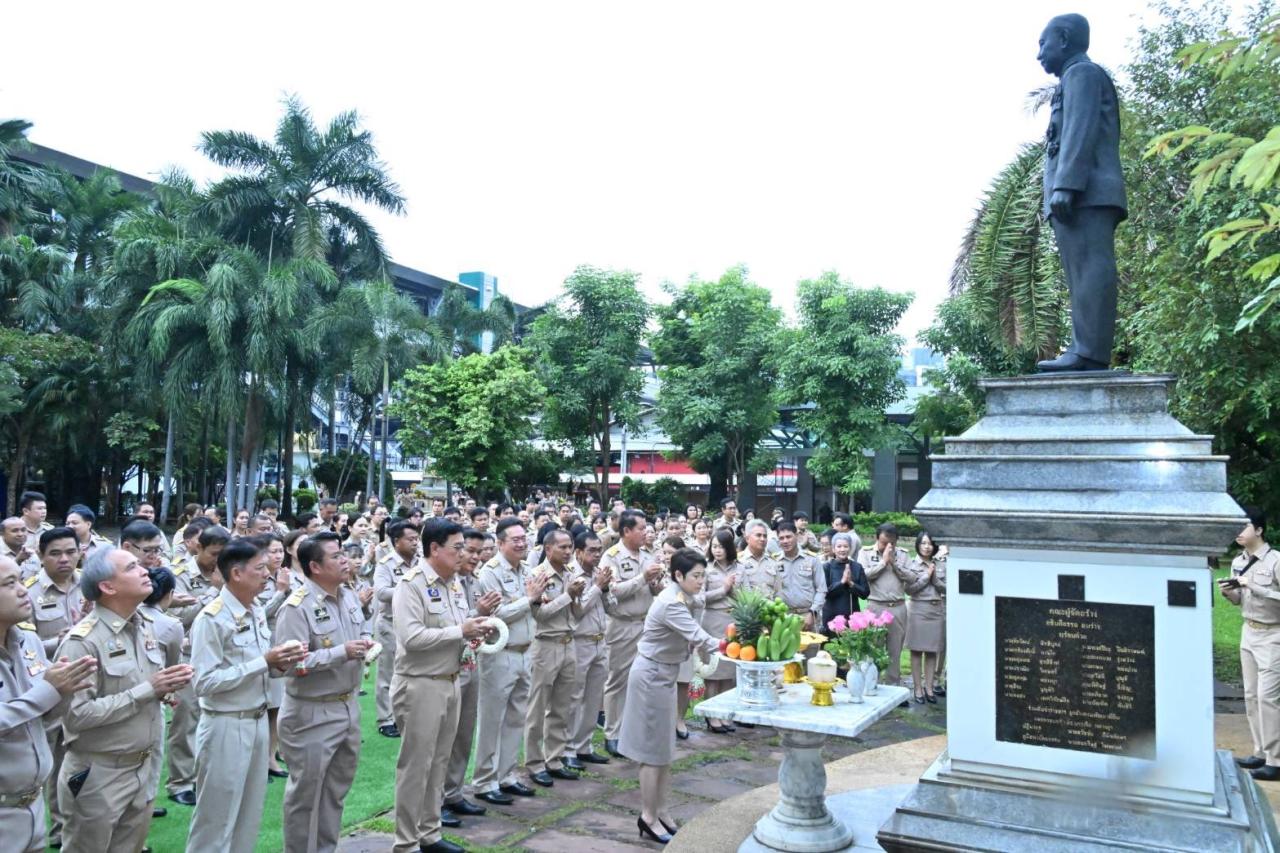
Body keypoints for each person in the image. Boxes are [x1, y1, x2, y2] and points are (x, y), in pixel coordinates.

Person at [56, 547, 193, 853]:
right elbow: (76, 716)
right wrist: (148, 690)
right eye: (131, 567)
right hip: (98, 773)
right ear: (107, 587)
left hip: (142, 767)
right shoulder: (83, 641)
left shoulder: (142, 626)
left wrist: (164, 691)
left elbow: (140, 685)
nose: (145, 570)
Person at [186, 537, 307, 853]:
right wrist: (263, 662)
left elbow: (261, 668)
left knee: (248, 815)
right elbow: (204, 683)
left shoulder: (254, 611)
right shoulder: (212, 618)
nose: (268, 574)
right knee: (216, 819)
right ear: (237, 573)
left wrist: (281, 662)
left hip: (257, 721)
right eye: (260, 568)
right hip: (225, 723)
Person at [390, 519, 492, 853]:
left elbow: (455, 631)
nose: (464, 554)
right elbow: (411, 638)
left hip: (450, 681)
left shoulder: (453, 584)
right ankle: (406, 842)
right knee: (416, 766)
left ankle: (430, 832)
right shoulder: (412, 585)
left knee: (439, 762)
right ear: (434, 548)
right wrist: (460, 631)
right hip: (420, 685)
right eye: (457, 547)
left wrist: (473, 634)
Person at [1035, 13, 1127, 372]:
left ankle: (1088, 353)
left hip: (1087, 193)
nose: (1039, 53)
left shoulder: (1082, 74)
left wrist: (1065, 186)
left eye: (1043, 43)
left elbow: (1079, 130)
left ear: (1063, 38)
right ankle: (1084, 349)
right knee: (1080, 272)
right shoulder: (1074, 77)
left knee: (1089, 268)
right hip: (1083, 194)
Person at [274, 530, 373, 853]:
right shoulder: (296, 607)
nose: (345, 560)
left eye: (343, 554)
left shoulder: (348, 595)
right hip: (311, 712)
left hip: (347, 706)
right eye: (336, 556)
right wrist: (341, 652)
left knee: (335, 791)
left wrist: (366, 642)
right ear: (315, 567)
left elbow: (362, 629)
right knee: (305, 796)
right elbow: (290, 665)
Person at [620, 548, 722, 844]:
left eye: (703, 575)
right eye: (696, 576)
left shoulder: (684, 596)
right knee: (651, 752)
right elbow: (700, 637)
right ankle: (648, 816)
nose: (701, 581)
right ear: (678, 575)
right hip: (652, 676)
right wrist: (734, 645)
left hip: (664, 674)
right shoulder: (671, 603)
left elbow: (697, 611)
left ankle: (661, 810)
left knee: (664, 749)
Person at [0, 554, 96, 853]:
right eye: (9, 583)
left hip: (31, 806)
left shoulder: (27, 641)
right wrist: (48, 690)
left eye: (20, 580)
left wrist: (65, 691)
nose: (23, 590)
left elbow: (42, 714)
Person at [24, 527, 87, 844]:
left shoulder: (90, 585)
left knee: (80, 764)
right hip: (46, 693)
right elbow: (22, 647)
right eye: (55, 553)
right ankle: (43, 828)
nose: (64, 559)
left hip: (85, 691)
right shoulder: (28, 592)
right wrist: (58, 642)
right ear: (41, 556)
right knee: (42, 764)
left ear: (80, 552)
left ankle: (69, 827)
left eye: (70, 552)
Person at [473, 518, 539, 804]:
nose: (522, 544)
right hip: (501, 653)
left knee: (516, 718)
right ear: (500, 543)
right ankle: (484, 781)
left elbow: (532, 608)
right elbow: (495, 615)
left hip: (525, 651)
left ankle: (507, 775)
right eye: (516, 540)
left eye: (524, 538)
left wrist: (537, 601)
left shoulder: (527, 570)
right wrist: (529, 599)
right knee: (492, 720)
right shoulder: (490, 572)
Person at [166, 524, 230, 806]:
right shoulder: (179, 575)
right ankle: (180, 781)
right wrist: (214, 592)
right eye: (214, 554)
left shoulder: (229, 572)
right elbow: (175, 619)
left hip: (221, 654)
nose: (218, 560)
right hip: (188, 656)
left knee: (218, 717)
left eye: (223, 555)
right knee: (186, 719)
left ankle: (208, 774)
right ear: (198, 548)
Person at [443, 528, 501, 820]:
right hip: (446, 667)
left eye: (481, 552)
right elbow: (449, 626)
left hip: (470, 663)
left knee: (464, 734)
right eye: (471, 551)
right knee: (443, 738)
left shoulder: (475, 581)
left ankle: (453, 794)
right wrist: (477, 612)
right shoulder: (445, 583)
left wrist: (486, 624)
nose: (477, 557)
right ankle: (434, 802)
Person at [1220, 506, 1280, 780]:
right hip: (1249, 631)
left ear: (1259, 529)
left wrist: (1255, 586)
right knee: (1251, 695)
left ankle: (1276, 760)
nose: (1238, 532)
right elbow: (1239, 601)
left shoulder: (1276, 561)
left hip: (1273, 634)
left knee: (1268, 698)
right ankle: (1260, 752)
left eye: (1244, 526)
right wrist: (1229, 593)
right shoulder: (1237, 562)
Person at [523, 528, 585, 786]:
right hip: (546, 645)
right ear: (548, 549)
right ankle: (534, 762)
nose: (568, 551)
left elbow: (578, 613)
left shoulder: (571, 573)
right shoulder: (537, 576)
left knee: (562, 706)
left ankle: (555, 758)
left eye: (570, 546)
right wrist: (568, 595)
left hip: (569, 643)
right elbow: (540, 615)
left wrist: (576, 598)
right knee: (538, 708)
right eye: (563, 547)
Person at [600, 510, 661, 757]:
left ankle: (634, 731)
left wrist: (656, 583)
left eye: (646, 528)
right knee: (618, 680)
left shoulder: (648, 555)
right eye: (641, 528)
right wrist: (642, 578)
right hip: (622, 625)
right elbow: (613, 592)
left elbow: (655, 589)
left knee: (643, 679)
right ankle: (613, 734)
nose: (646, 532)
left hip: (645, 624)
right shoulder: (611, 556)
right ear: (626, 531)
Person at [566, 531, 612, 766]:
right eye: (592, 550)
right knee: (573, 698)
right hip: (579, 641)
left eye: (599, 550)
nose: (597, 555)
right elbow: (578, 609)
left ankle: (584, 746)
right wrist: (597, 587)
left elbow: (611, 607)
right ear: (578, 552)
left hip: (600, 641)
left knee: (594, 697)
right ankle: (567, 749)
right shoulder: (572, 576)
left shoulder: (598, 573)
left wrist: (606, 589)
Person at [373, 521, 421, 738]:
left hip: (415, 624)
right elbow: (381, 592)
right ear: (396, 542)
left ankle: (406, 714)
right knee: (388, 673)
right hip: (390, 624)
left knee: (413, 671)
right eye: (410, 539)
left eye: (416, 538)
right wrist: (410, 590)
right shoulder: (386, 564)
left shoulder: (421, 561)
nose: (415, 543)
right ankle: (386, 718)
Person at [255, 531, 293, 778]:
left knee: (278, 706)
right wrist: (280, 592)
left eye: (280, 551)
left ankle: (271, 756)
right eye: (273, 551)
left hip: (283, 645)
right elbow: (259, 614)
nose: (278, 556)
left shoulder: (286, 575)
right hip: (263, 648)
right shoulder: (258, 579)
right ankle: (261, 760)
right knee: (264, 706)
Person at [860, 523, 912, 689]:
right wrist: (883, 563)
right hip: (876, 606)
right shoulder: (865, 552)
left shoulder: (903, 554)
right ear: (877, 539)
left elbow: (912, 577)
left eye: (892, 543)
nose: (888, 547)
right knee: (873, 649)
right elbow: (863, 575)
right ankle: (871, 686)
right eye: (884, 543)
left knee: (895, 651)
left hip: (897, 607)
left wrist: (894, 564)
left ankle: (893, 688)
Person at [701, 528, 739, 732]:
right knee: (713, 671)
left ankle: (724, 713)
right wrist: (722, 590)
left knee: (728, 672)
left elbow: (747, 593)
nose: (717, 550)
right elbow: (700, 598)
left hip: (732, 620)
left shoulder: (739, 567)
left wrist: (733, 590)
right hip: (712, 620)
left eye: (721, 547)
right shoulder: (706, 569)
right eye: (714, 546)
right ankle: (711, 715)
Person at [905, 531, 946, 705]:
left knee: (932, 651)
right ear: (918, 545)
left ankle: (929, 688)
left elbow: (947, 588)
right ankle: (917, 688)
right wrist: (925, 577)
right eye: (923, 543)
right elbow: (909, 589)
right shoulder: (911, 564)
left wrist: (935, 579)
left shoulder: (941, 564)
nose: (927, 547)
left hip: (936, 610)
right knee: (916, 651)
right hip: (918, 609)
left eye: (930, 543)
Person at [776, 521, 826, 631]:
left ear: (797, 536)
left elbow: (821, 589)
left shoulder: (812, 559)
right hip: (784, 617)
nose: (785, 541)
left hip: (808, 616)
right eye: (781, 538)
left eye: (788, 537)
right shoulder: (774, 561)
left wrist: (812, 612)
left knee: (811, 643)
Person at [822, 532, 869, 637]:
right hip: (831, 616)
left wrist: (851, 583)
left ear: (850, 548)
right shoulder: (827, 567)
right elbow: (824, 593)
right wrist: (842, 582)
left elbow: (865, 593)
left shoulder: (857, 567)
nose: (842, 549)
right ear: (833, 549)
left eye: (845, 546)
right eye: (839, 546)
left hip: (852, 616)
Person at [736, 519, 782, 596]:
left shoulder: (772, 561)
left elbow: (778, 591)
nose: (762, 539)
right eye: (758, 535)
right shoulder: (739, 561)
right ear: (747, 538)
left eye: (765, 536)